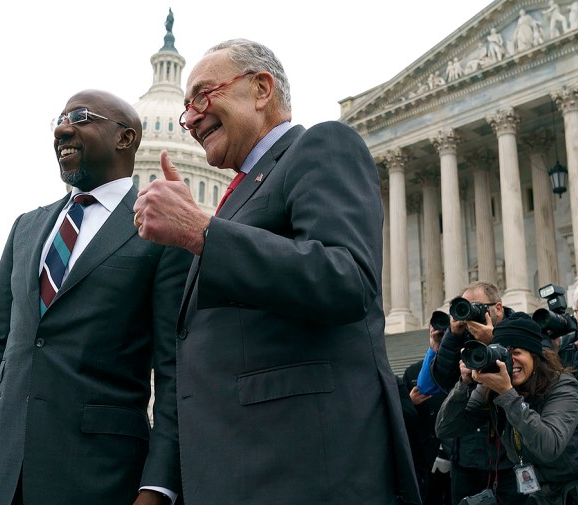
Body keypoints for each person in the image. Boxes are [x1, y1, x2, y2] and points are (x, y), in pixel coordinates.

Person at [133, 38, 421, 504]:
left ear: (261, 89)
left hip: (305, 469)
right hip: (240, 468)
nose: (189, 119)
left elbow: (347, 278)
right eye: (185, 109)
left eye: (204, 96)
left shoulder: (320, 146)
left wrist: (203, 233)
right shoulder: (239, 196)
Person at [0, 90, 191, 505]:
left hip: (101, 476)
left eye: (81, 117)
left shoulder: (160, 233)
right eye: (61, 119)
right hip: (2, 474)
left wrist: (158, 485)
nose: (63, 128)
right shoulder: (26, 228)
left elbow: (174, 370)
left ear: (126, 138)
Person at [437, 314, 578, 505]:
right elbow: (445, 429)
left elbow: (549, 446)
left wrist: (508, 394)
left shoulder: (562, 386)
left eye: (517, 353)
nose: (510, 361)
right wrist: (464, 385)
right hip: (549, 489)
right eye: (503, 354)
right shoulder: (491, 389)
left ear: (535, 356)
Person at [430, 281, 527, 505]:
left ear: (498, 308)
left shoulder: (520, 327)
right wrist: (452, 336)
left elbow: (528, 377)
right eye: (467, 307)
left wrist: (494, 339)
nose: (472, 314)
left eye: (478, 307)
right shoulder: (462, 337)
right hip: (467, 454)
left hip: (510, 455)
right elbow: (443, 381)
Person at [404, 325, 452, 505]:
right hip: (425, 452)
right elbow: (403, 416)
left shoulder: (458, 367)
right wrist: (410, 403)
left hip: (453, 448)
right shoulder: (412, 372)